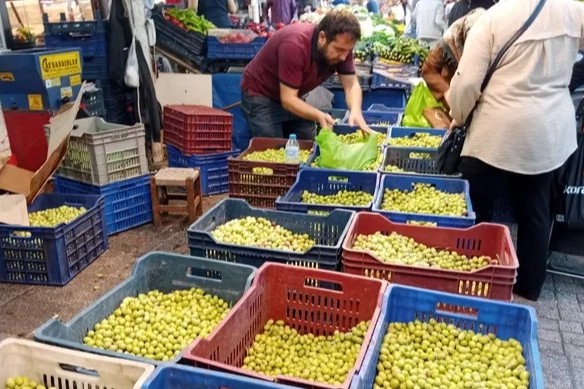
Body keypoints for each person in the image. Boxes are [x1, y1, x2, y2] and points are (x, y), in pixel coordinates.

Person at [447, 0, 584, 301]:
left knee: (478, 204)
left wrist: (457, 115)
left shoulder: (493, 18)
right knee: (535, 207)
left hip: (497, 129)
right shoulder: (574, 12)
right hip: (547, 129)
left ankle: (473, 275)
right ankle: (529, 287)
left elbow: (468, 81)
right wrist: (568, 84)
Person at [241, 9, 373, 139]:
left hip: (294, 94)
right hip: (262, 94)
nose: (344, 57)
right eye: (339, 50)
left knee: (306, 139)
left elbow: (351, 84)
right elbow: (288, 99)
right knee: (271, 148)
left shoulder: (342, 48)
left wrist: (355, 110)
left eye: (347, 51)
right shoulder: (295, 45)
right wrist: (319, 115)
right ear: (322, 37)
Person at [420, 8, 484, 108]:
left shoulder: (495, 42)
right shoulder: (451, 39)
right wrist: (446, 91)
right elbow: (428, 68)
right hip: (454, 102)